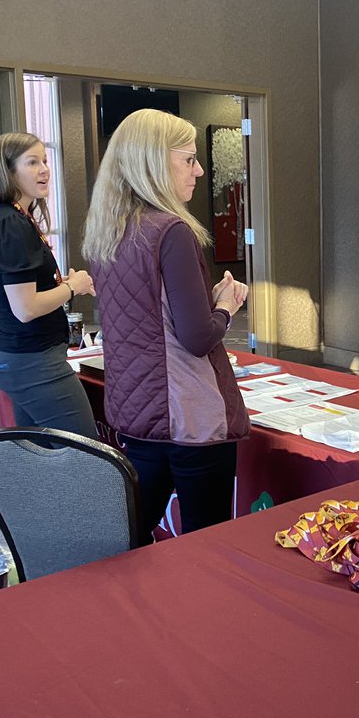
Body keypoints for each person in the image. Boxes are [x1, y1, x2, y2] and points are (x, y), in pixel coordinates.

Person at [83, 108, 250, 537]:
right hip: (188, 417)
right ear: (155, 163)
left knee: (134, 537)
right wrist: (227, 306)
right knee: (206, 545)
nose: (197, 171)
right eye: (188, 159)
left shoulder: (108, 231)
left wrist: (207, 303)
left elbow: (151, 318)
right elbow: (196, 338)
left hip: (137, 412)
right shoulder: (172, 231)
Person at [0, 132, 98, 437]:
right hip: (32, 360)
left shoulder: (7, 216)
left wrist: (63, 283)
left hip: (22, 355)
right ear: (9, 171)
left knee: (38, 452)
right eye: (32, 162)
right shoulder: (10, 223)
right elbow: (26, 308)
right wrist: (73, 287)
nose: (44, 169)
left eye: (44, 160)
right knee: (88, 455)